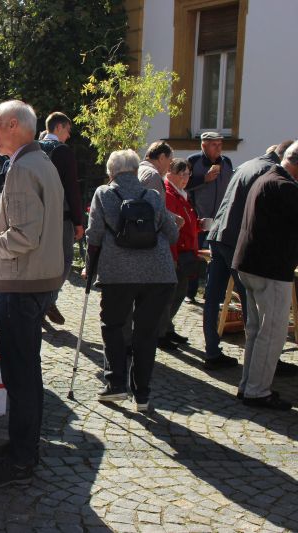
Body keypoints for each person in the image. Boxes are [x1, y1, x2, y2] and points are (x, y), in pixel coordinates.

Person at [0, 100, 64, 488]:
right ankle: (21, 447)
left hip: (22, 284)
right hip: (35, 282)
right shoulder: (38, 162)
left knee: (21, 375)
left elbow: (25, 235)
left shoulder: (25, 167)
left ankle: (23, 458)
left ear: (13, 125)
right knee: (25, 372)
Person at [85, 149, 178, 412]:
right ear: (136, 171)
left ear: (111, 171)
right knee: (146, 333)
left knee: (113, 326)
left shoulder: (103, 194)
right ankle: (143, 395)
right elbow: (171, 234)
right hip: (158, 274)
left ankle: (115, 385)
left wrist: (90, 270)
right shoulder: (153, 195)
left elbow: (95, 236)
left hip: (118, 274)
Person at [202, 140, 294, 370]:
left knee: (213, 297)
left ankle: (212, 351)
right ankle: (263, 363)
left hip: (219, 233)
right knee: (251, 302)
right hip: (237, 239)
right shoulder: (271, 172)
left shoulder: (249, 164)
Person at [232, 141, 298, 410]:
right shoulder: (283, 186)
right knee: (271, 333)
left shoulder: (267, 177)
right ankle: (257, 391)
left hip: (251, 265)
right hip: (269, 269)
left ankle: (249, 385)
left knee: (257, 331)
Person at [39, 112, 84, 325]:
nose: (68, 136)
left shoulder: (32, 148)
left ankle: (41, 300)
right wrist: (79, 221)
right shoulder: (63, 151)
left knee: (40, 261)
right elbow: (72, 187)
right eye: (67, 131)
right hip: (60, 216)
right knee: (65, 260)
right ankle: (47, 299)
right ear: (58, 128)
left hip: (36, 214)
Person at [185, 131, 234, 301]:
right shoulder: (193, 161)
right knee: (194, 255)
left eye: (220, 144)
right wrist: (203, 179)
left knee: (215, 257)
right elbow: (184, 184)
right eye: (215, 145)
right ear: (204, 145)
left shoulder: (226, 162)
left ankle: (210, 293)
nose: (219, 148)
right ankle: (189, 293)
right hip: (199, 218)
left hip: (220, 219)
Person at [157, 158, 199, 349]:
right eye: (182, 174)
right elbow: (171, 227)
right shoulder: (169, 194)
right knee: (170, 294)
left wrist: (199, 226)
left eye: (188, 174)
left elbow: (186, 222)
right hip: (176, 252)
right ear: (170, 173)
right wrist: (173, 257)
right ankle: (160, 332)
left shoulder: (181, 194)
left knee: (180, 292)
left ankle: (167, 327)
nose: (186, 178)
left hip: (185, 251)